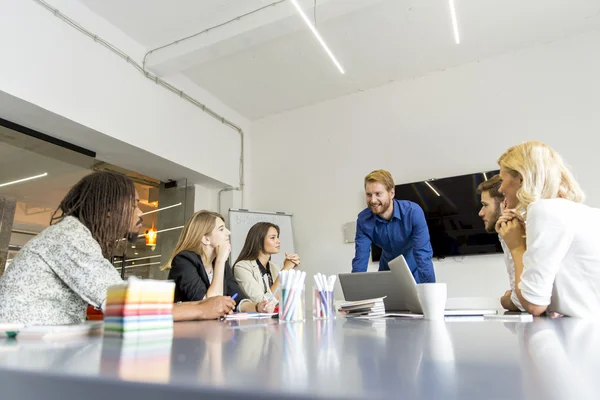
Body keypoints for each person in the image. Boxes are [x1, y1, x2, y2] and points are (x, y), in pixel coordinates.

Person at [0, 172, 235, 325]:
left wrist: (202, 305)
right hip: (20, 350)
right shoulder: (68, 237)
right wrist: (202, 310)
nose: (141, 213)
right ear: (109, 208)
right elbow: (126, 305)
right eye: (134, 205)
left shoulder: (75, 235)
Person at [496, 140, 600, 317]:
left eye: (502, 180)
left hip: (583, 339)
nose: (500, 189)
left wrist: (516, 247)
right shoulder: (587, 213)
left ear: (521, 178)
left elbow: (533, 304)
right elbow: (525, 300)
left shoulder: (543, 210)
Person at [162, 210, 274, 313]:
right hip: (187, 331)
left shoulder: (220, 262)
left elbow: (236, 296)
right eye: (221, 229)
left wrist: (257, 307)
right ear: (206, 239)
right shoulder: (184, 260)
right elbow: (210, 306)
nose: (228, 232)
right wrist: (220, 260)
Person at [351, 169, 435, 283]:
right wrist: (356, 293)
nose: (373, 200)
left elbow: (423, 254)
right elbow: (360, 260)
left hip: (415, 272)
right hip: (386, 274)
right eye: (369, 194)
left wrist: (429, 292)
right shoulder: (363, 220)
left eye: (378, 194)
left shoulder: (413, 212)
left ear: (391, 193)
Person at [476, 174, 524, 312]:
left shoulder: (520, 233)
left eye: (485, 205)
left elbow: (523, 301)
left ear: (505, 204)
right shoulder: (505, 232)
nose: (480, 213)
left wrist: (505, 301)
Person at [233, 222, 300, 303]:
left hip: (276, 314)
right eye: (272, 238)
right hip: (255, 315)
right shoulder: (242, 267)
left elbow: (288, 299)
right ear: (259, 241)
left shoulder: (274, 267)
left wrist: (290, 271)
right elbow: (262, 302)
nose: (278, 241)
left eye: (277, 237)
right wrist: (285, 270)